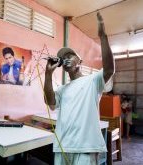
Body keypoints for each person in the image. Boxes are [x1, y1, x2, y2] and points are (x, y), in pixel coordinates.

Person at [44, 12, 114, 165]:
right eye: (65, 57)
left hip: (86, 147)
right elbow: (50, 101)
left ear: (79, 61)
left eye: (71, 56)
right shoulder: (63, 89)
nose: (67, 59)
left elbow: (109, 69)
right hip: (63, 146)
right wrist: (48, 74)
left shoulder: (93, 81)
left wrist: (103, 37)